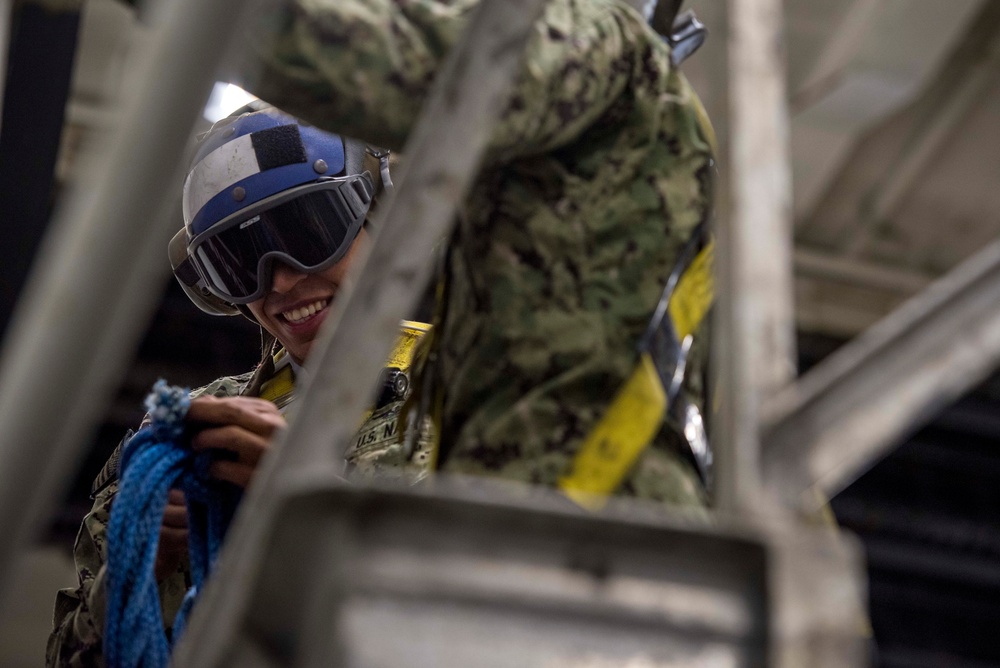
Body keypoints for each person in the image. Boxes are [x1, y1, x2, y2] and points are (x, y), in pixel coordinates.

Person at [238, 0, 715, 500]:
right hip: (548, 506)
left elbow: (415, 73)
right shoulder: (549, 160)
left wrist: (204, 25)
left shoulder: (596, 33)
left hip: (583, 509)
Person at [46, 107, 433, 667]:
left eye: (308, 232)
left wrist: (306, 506)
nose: (279, 281)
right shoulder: (175, 446)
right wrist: (138, 571)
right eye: (240, 261)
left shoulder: (477, 390)